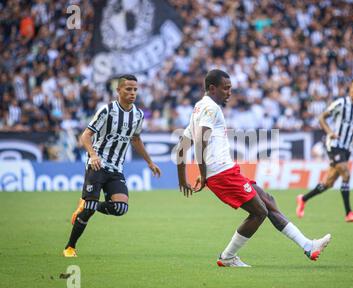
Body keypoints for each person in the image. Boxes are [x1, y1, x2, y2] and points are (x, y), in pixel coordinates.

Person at [176, 69, 331, 267]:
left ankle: (308, 245)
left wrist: (182, 179)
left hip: (226, 170)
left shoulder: (199, 107)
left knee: (268, 200)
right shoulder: (210, 108)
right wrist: (203, 175)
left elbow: (182, 146)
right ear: (212, 88)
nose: (230, 92)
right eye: (226, 88)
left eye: (230, 88)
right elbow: (199, 142)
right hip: (221, 173)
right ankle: (228, 257)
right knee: (259, 212)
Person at [63, 74, 161, 257]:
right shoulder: (107, 110)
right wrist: (93, 155)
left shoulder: (138, 115)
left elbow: (136, 139)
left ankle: (86, 203)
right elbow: (85, 136)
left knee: (120, 208)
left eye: (135, 90)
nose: (132, 93)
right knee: (89, 211)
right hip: (97, 165)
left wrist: (149, 162)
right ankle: (70, 247)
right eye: (128, 89)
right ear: (119, 90)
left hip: (116, 168)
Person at [296, 78, 353, 222]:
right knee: (346, 173)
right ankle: (349, 213)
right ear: (350, 89)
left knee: (328, 183)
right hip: (334, 144)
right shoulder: (341, 103)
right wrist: (329, 132)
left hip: (347, 147)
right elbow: (322, 117)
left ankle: (303, 198)